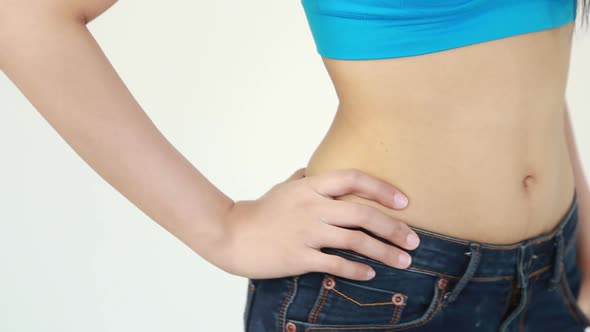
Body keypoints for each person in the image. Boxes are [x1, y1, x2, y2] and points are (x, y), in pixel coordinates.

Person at [0, 0, 589, 331]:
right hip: (384, 288)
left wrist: (583, 239)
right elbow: (25, 15)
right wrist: (224, 228)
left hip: (551, 276)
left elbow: (522, 72)